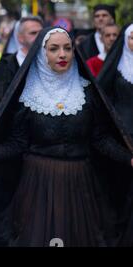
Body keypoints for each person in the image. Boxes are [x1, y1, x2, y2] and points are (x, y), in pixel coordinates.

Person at [0, 27, 133, 247]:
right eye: (54, 49)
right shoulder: (29, 95)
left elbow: (100, 138)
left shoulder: (87, 92)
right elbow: (18, 143)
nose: (62, 54)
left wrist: (127, 157)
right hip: (38, 184)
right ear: (43, 54)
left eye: (67, 48)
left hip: (80, 184)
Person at [0, 16, 43, 137]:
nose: (39, 37)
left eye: (41, 33)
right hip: (9, 139)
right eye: (33, 33)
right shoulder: (3, 66)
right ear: (20, 38)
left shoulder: (50, 65)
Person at [97, 23, 133, 246]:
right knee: (120, 193)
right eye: (132, 38)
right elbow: (102, 99)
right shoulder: (117, 66)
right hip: (120, 140)